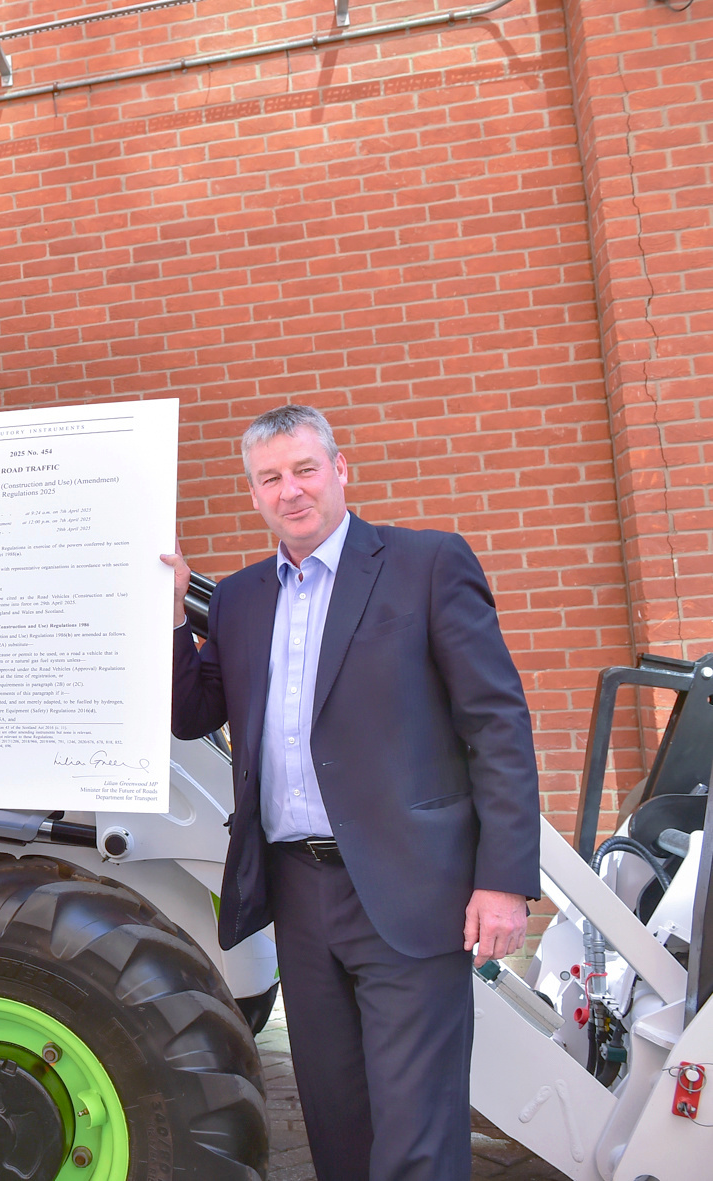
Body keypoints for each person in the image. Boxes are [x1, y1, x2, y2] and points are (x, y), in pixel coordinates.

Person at [160, 404, 539, 1181]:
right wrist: (170, 623)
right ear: (254, 492)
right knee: (336, 1118)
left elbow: (496, 725)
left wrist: (502, 880)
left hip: (409, 885)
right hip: (298, 893)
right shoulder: (236, 600)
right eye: (269, 478)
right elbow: (191, 711)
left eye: (303, 469)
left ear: (340, 470)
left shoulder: (425, 565)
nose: (289, 490)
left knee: (416, 1125)